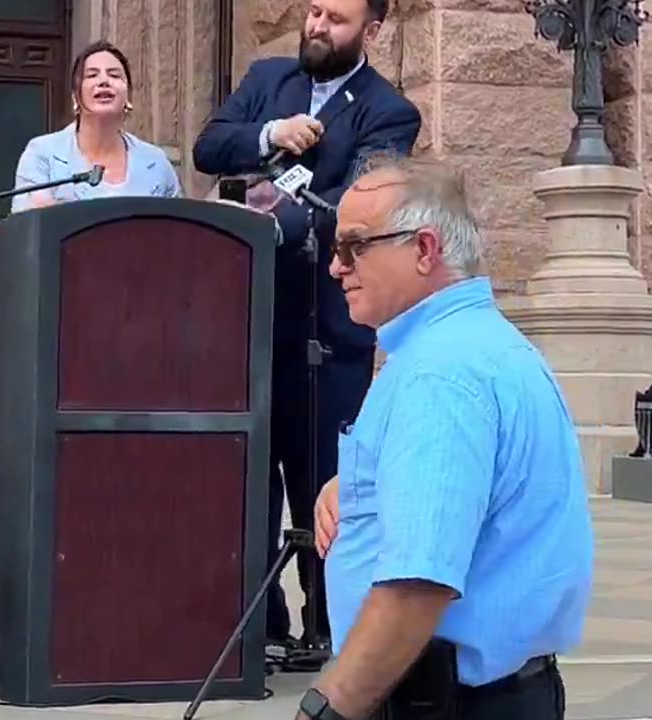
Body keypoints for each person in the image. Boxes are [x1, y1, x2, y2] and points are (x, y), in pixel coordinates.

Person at [296, 154, 593, 720]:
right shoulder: (477, 345)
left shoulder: (440, 373)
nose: (336, 267)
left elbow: (417, 586)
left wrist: (328, 710)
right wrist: (358, 490)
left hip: (445, 702)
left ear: (424, 250)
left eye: (354, 246)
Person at [191, 0, 421, 653]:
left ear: (371, 31)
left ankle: (328, 627)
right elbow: (211, 147)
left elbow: (356, 205)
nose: (318, 25)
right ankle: (258, 630)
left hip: (328, 334)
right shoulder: (268, 79)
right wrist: (269, 136)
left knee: (322, 488)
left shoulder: (388, 111)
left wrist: (263, 222)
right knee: (248, 482)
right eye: (314, 11)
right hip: (245, 324)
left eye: (336, 19)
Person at [10, 39, 182, 213]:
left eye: (114, 75)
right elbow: (29, 224)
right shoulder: (42, 154)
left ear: (128, 96)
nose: (104, 81)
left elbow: (178, 231)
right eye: (92, 75)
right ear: (76, 97)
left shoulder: (156, 162)